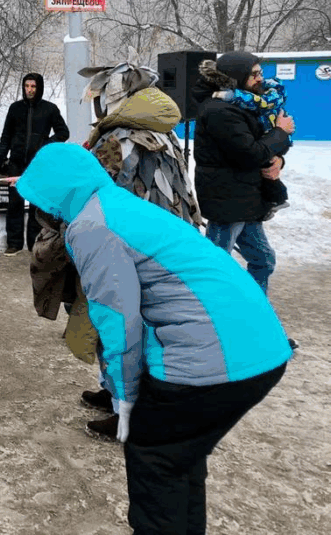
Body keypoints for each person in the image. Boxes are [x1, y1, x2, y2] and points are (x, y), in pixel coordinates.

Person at [16, 143, 292, 535]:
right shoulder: (117, 204)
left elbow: (117, 319)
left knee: (156, 460)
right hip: (260, 348)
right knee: (179, 459)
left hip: (211, 359)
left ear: (54, 194)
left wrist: (125, 397)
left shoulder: (91, 227)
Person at [29, 63, 203, 441]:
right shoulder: (160, 131)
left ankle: (130, 407)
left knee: (119, 322)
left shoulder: (119, 138)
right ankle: (113, 391)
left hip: (125, 244)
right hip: (154, 241)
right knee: (133, 322)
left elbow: (94, 193)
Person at [192, 52, 294, 294]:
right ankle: (211, 310)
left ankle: (254, 310)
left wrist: (278, 159)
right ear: (237, 76)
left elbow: (263, 147)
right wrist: (280, 132)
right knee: (215, 267)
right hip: (228, 201)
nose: (260, 78)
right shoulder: (220, 111)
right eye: (254, 74)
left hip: (246, 199)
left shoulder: (245, 104)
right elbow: (251, 153)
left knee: (263, 260)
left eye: (260, 72)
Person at [0, 72, 69, 254]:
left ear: (39, 87)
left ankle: (34, 242)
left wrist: (45, 144)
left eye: (33, 86)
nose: (30, 90)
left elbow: (63, 132)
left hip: (38, 164)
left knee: (37, 203)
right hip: (16, 162)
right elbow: (6, 135)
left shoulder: (49, 109)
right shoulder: (15, 108)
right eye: (27, 86)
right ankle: (14, 243)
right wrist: (1, 156)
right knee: (15, 203)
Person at [212, 74, 291, 218]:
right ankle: (272, 201)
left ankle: (277, 199)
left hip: (274, 136)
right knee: (267, 167)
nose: (259, 79)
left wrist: (231, 95)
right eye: (255, 74)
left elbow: (257, 101)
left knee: (267, 167)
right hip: (272, 137)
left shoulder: (272, 96)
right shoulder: (267, 94)